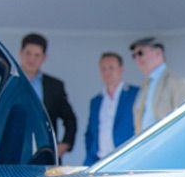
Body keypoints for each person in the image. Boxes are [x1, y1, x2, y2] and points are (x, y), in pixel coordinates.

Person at [17, 33, 78, 162]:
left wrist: (64, 145)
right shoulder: (8, 82)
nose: (31, 59)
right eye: (28, 53)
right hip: (13, 154)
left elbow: (70, 119)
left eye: (37, 55)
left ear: (44, 58)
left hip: (46, 154)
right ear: (20, 53)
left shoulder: (54, 86)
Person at [83, 50, 138, 165]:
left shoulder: (135, 94)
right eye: (103, 69)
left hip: (127, 161)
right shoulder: (96, 101)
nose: (107, 72)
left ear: (121, 69)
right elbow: (90, 133)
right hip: (99, 161)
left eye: (111, 68)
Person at [130, 36, 185, 133]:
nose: (137, 59)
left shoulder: (176, 82)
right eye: (134, 56)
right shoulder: (145, 86)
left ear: (158, 53)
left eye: (140, 53)